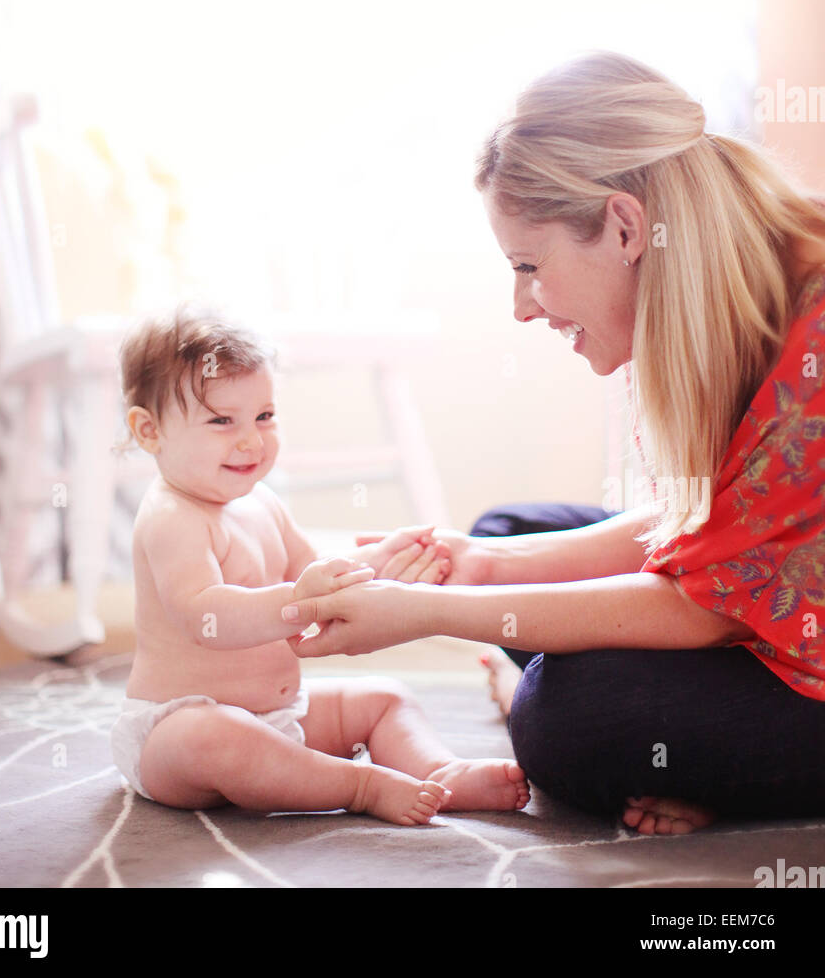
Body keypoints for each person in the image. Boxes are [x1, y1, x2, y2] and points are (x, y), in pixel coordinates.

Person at [282, 52, 825, 837]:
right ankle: (699, 762)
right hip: (767, 608)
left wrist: (427, 610)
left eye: (530, 267)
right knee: (507, 531)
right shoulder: (746, 278)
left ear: (625, 226)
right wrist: (478, 566)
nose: (521, 307)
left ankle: (697, 764)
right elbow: (717, 529)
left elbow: (702, 609)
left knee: (569, 715)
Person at [109, 305, 529, 823]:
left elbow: (315, 568)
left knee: (384, 699)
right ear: (149, 432)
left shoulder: (261, 502)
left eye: (264, 416)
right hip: (177, 733)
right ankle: (357, 786)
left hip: (285, 716)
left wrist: (377, 560)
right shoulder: (171, 516)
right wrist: (295, 599)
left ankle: (437, 770)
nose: (250, 439)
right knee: (214, 735)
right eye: (221, 421)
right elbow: (205, 617)